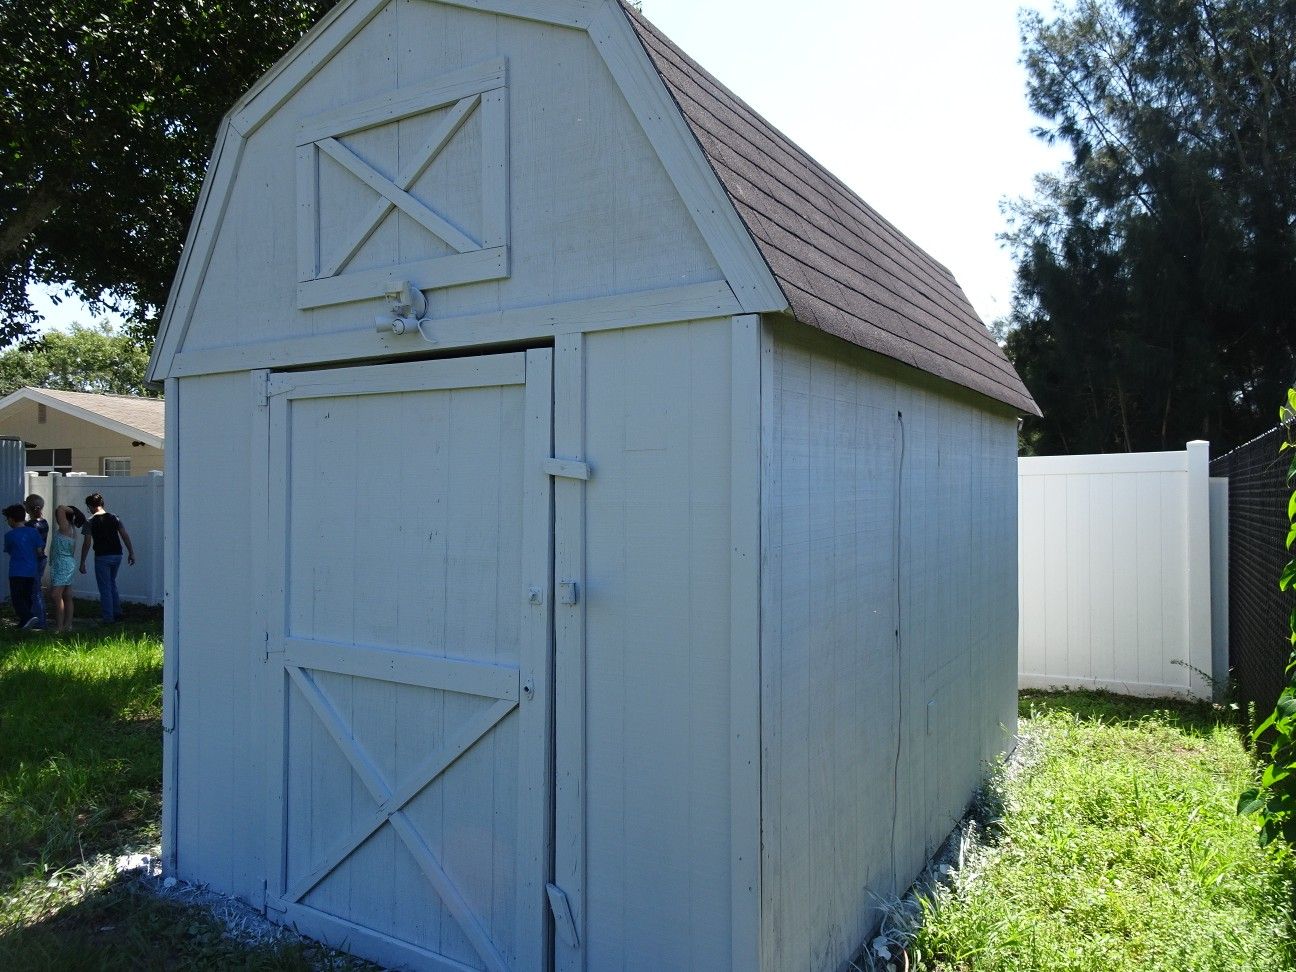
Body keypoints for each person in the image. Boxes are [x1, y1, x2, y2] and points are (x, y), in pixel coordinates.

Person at [79, 492, 136, 623]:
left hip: (102, 556)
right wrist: (131, 552)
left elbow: (87, 542)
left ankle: (108, 618)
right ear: (102, 504)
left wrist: (82, 561)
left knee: (104, 587)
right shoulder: (114, 517)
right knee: (111, 583)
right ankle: (117, 612)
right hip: (117, 554)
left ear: (90, 506)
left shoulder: (90, 521)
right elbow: (124, 535)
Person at [4, 503, 44, 629]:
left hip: (16, 571)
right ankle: (24, 623)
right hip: (31, 570)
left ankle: (27, 617)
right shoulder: (33, 532)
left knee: (17, 598)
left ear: (11, 519)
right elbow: (39, 551)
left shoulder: (9, 535)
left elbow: (9, 550)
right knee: (27, 596)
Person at [49, 505, 85, 633]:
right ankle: (68, 625)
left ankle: (59, 627)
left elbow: (59, 508)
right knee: (67, 594)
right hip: (64, 564)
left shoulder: (66, 527)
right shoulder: (69, 529)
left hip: (63, 565)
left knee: (56, 595)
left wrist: (74, 511)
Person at [24, 494, 48, 630]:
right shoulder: (44, 522)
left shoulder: (29, 526)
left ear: (28, 508)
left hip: (33, 559)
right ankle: (41, 617)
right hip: (42, 558)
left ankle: (39, 621)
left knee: (34, 591)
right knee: (37, 590)